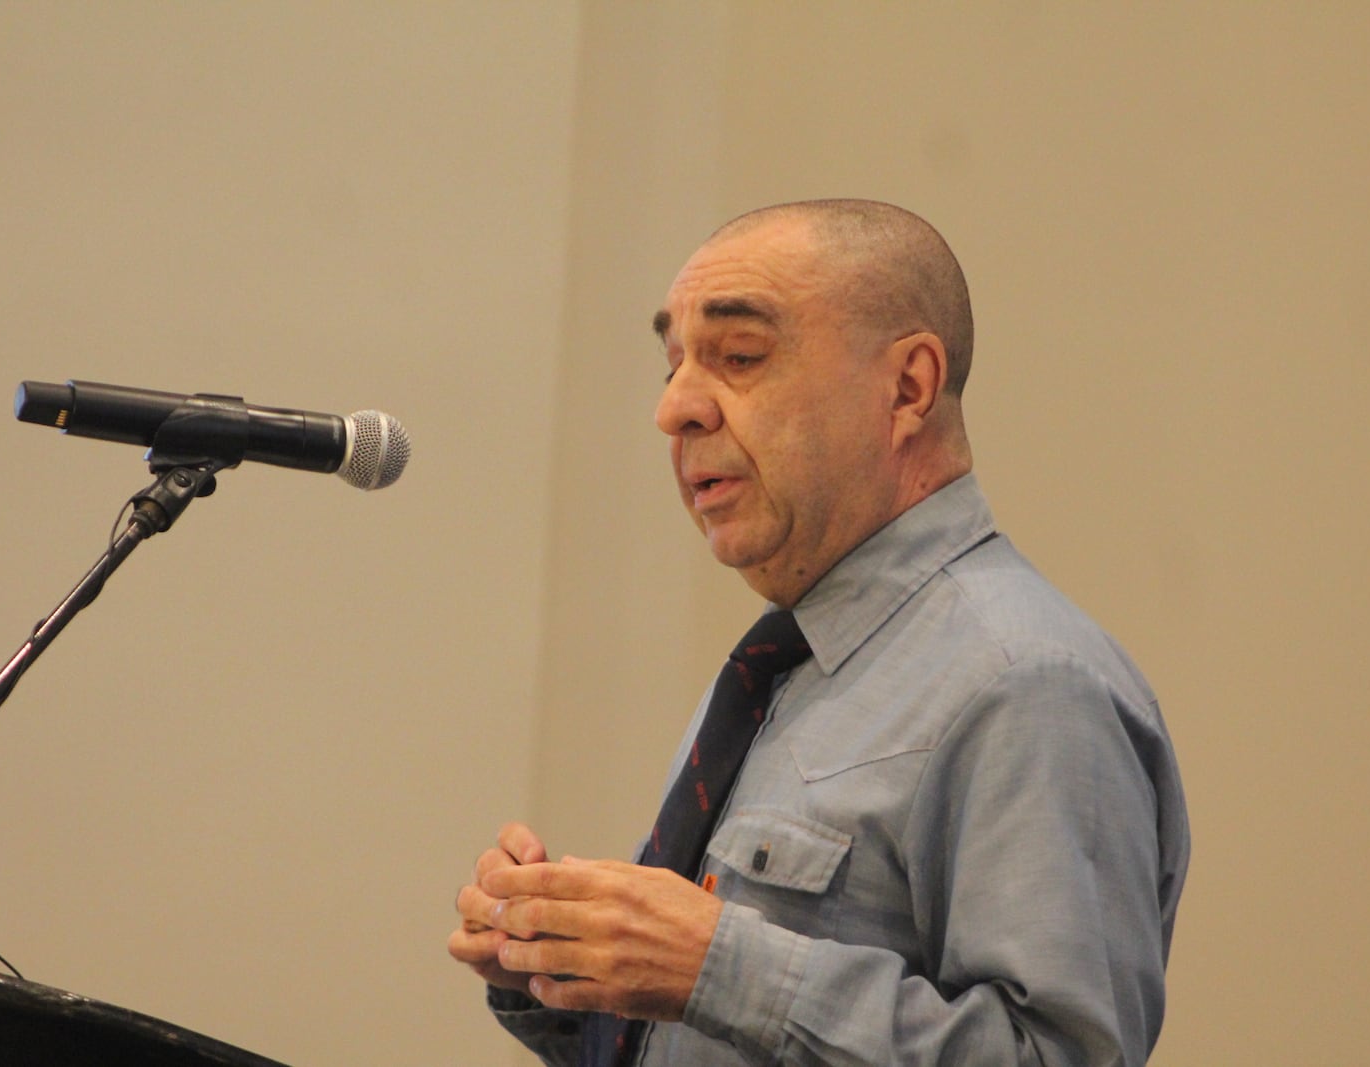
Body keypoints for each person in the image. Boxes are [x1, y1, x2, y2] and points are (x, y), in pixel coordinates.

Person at [449, 199, 1189, 1065]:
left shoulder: (1026, 684)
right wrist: (555, 961)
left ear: (907, 387)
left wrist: (711, 965)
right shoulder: (787, 667)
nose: (676, 408)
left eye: (739, 356)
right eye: (672, 364)